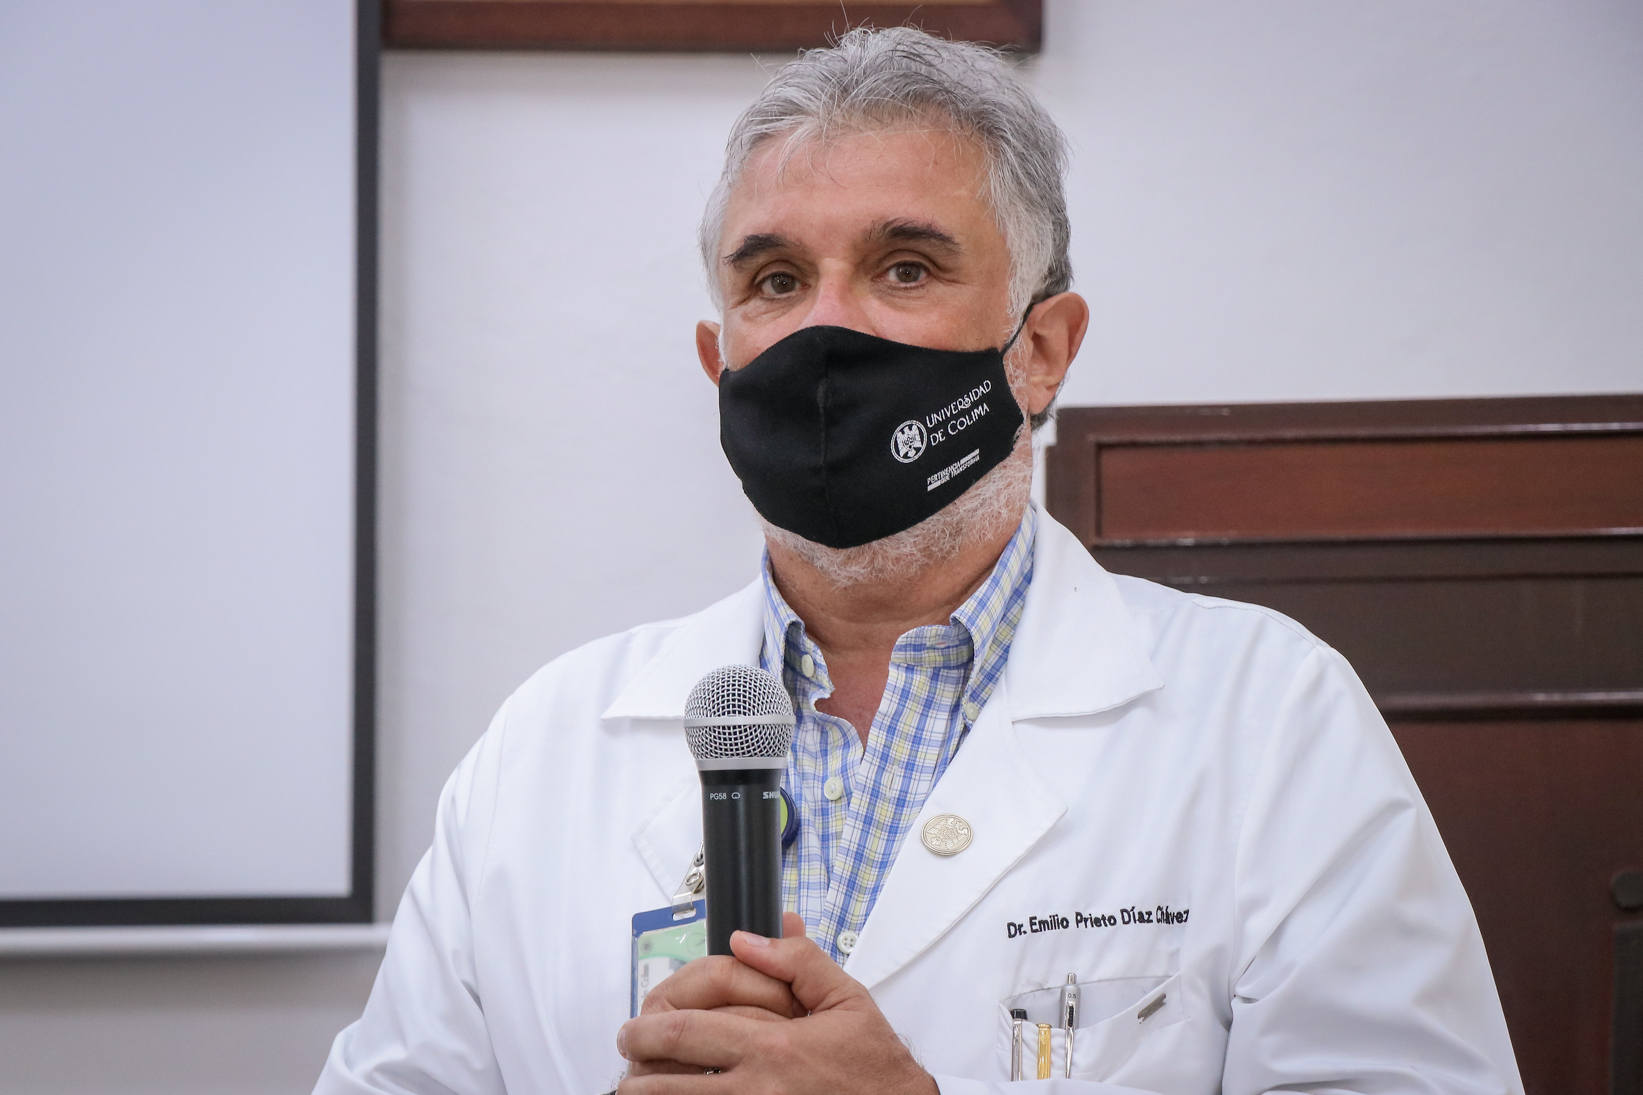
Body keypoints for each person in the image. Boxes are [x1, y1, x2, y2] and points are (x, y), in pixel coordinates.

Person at [316, 27, 1522, 1095]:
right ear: (718, 365)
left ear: (1039, 351)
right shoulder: (542, 751)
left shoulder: (1267, 719)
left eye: (904, 267)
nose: (826, 329)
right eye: (774, 280)